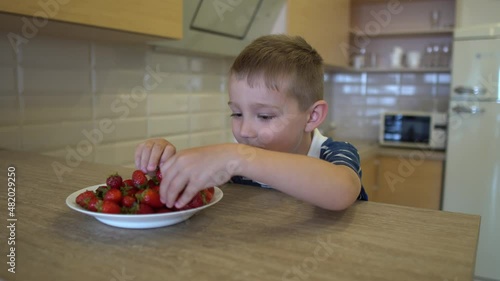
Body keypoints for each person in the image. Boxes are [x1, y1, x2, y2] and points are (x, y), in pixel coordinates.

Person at [135, 34, 368, 211]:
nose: (245, 131)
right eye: (236, 114)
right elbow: (194, 186)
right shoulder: (236, 160)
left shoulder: (335, 153)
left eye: (265, 116)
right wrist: (166, 166)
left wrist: (236, 157)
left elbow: (343, 190)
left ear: (312, 116)